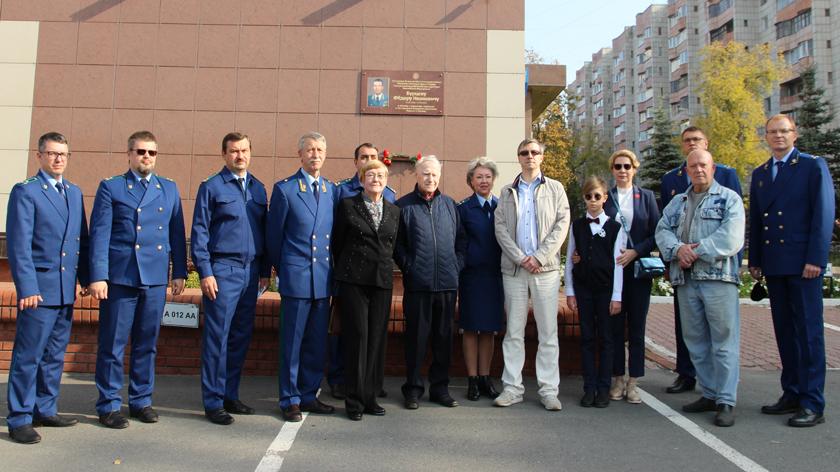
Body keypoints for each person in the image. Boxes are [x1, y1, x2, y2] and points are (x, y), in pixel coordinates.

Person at [89, 131, 187, 429]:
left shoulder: (168, 189)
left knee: (147, 343)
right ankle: (108, 404)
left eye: (152, 153)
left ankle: (141, 400)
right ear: (129, 154)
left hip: (155, 277)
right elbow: (100, 234)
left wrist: (180, 271)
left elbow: (176, 234)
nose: (146, 157)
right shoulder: (112, 187)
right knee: (113, 344)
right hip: (122, 277)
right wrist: (98, 276)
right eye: (141, 152)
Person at [749, 114, 835, 427]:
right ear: (766, 137)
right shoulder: (760, 174)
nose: (778, 136)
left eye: (784, 131)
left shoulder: (812, 166)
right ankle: (792, 392)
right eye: (772, 132)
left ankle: (813, 402)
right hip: (775, 263)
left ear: (794, 134)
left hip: (803, 264)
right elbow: (757, 220)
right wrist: (755, 259)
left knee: (809, 334)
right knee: (785, 332)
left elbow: (823, 214)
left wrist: (816, 258)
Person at [5, 132, 90, 444]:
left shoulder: (74, 191)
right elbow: (19, 245)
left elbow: (81, 240)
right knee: (29, 356)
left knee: (54, 355)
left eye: (63, 154)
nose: (58, 159)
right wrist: (26, 287)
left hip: (65, 289)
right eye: (53, 153)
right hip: (38, 291)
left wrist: (84, 278)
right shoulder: (26, 192)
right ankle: (19, 418)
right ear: (39, 156)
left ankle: (45, 408)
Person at [656, 149, 744, 427]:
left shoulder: (729, 199)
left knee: (723, 342)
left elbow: (731, 238)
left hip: (718, 280)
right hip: (687, 282)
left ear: (713, 167)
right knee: (695, 342)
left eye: (703, 165)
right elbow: (662, 230)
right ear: (687, 170)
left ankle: (726, 400)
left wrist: (695, 251)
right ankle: (709, 393)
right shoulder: (679, 202)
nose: (698, 170)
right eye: (693, 166)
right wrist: (677, 248)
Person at [191, 132, 270, 425]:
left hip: (251, 271)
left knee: (240, 337)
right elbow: (199, 231)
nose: (240, 156)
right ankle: (212, 401)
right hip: (223, 269)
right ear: (224, 154)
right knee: (217, 337)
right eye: (234, 151)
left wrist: (264, 272)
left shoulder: (259, 189)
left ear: (251, 152)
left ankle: (229, 394)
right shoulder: (212, 187)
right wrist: (205, 272)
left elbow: (265, 232)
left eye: (245, 150)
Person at [493, 138, 570, 411]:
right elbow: (500, 228)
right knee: (513, 332)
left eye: (534, 152)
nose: (529, 156)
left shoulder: (556, 189)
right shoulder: (506, 192)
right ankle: (512, 388)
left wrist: (539, 257)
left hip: (544, 271)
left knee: (548, 332)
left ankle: (549, 390)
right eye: (524, 153)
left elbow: (562, 225)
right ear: (518, 157)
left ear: (542, 157)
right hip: (514, 270)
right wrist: (520, 258)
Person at [267, 132, 337, 422]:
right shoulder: (285, 189)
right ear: (300, 154)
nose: (315, 154)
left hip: (322, 279)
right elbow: (274, 237)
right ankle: (290, 399)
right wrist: (284, 272)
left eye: (320, 149)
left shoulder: (331, 189)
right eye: (310, 149)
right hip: (296, 278)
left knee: (316, 342)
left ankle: (309, 395)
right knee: (292, 344)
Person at [332, 159, 400, 421]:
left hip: (381, 281)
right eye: (370, 174)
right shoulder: (348, 205)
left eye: (381, 175)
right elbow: (338, 243)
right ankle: (354, 400)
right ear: (361, 179)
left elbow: (394, 247)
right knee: (357, 338)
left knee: (376, 339)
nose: (376, 179)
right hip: (354, 281)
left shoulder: (394, 211)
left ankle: (371, 397)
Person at [394, 156, 461, 410]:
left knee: (444, 340)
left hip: (446, 284)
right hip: (418, 286)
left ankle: (440, 389)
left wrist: (456, 265)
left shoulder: (450, 206)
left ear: (439, 176)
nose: (430, 179)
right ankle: (412, 389)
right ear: (417, 176)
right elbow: (397, 245)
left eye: (434, 174)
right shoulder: (404, 207)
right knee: (416, 340)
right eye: (425, 174)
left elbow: (461, 242)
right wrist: (409, 267)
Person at [603, 150, 660, 404]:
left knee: (636, 328)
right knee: (615, 327)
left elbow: (657, 232)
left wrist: (636, 251)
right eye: (618, 166)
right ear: (612, 169)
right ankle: (617, 378)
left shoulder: (646, 197)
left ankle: (634, 381)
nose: (622, 170)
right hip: (612, 272)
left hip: (637, 273)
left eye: (627, 166)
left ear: (634, 169)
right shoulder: (607, 197)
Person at [565, 176, 625, 408]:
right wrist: (570, 291)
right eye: (588, 196)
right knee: (587, 338)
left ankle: (603, 388)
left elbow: (618, 263)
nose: (592, 201)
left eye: (597, 196)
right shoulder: (578, 226)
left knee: (606, 339)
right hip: (584, 289)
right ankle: (589, 388)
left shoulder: (614, 227)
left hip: (605, 290)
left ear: (605, 198)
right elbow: (571, 258)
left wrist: (616, 296)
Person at [455, 157, 504, 401]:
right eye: (479, 177)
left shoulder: (502, 206)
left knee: (489, 330)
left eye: (487, 176)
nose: (484, 181)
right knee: (471, 329)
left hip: (495, 276)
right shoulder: (463, 209)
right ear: (471, 182)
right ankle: (472, 380)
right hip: (472, 277)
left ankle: (485, 378)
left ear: (493, 180)